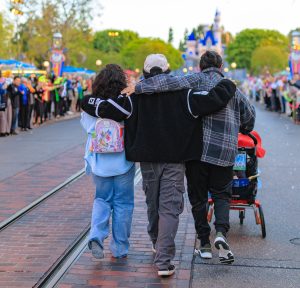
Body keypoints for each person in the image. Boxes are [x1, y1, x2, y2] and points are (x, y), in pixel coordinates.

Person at [82, 57, 236, 276]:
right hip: (175, 160)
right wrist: (228, 84)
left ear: (145, 74)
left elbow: (106, 109)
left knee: (153, 204)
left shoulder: (135, 97)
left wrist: (86, 100)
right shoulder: (186, 95)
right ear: (168, 71)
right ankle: (163, 261)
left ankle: (156, 241)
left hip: (147, 161)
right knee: (170, 208)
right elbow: (213, 100)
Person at [123, 50, 256, 265]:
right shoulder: (232, 89)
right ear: (221, 66)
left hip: (197, 151)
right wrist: (242, 126)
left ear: (200, 66)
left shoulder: (192, 81)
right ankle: (221, 232)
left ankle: (203, 242)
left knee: (197, 198)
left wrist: (137, 87)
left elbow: (164, 84)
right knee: (222, 194)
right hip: (223, 152)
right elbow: (249, 118)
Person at [81, 64, 136, 260]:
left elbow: (87, 128)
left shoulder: (90, 105)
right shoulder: (126, 103)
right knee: (123, 203)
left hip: (99, 162)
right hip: (123, 162)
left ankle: (96, 234)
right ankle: (120, 248)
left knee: (101, 199)